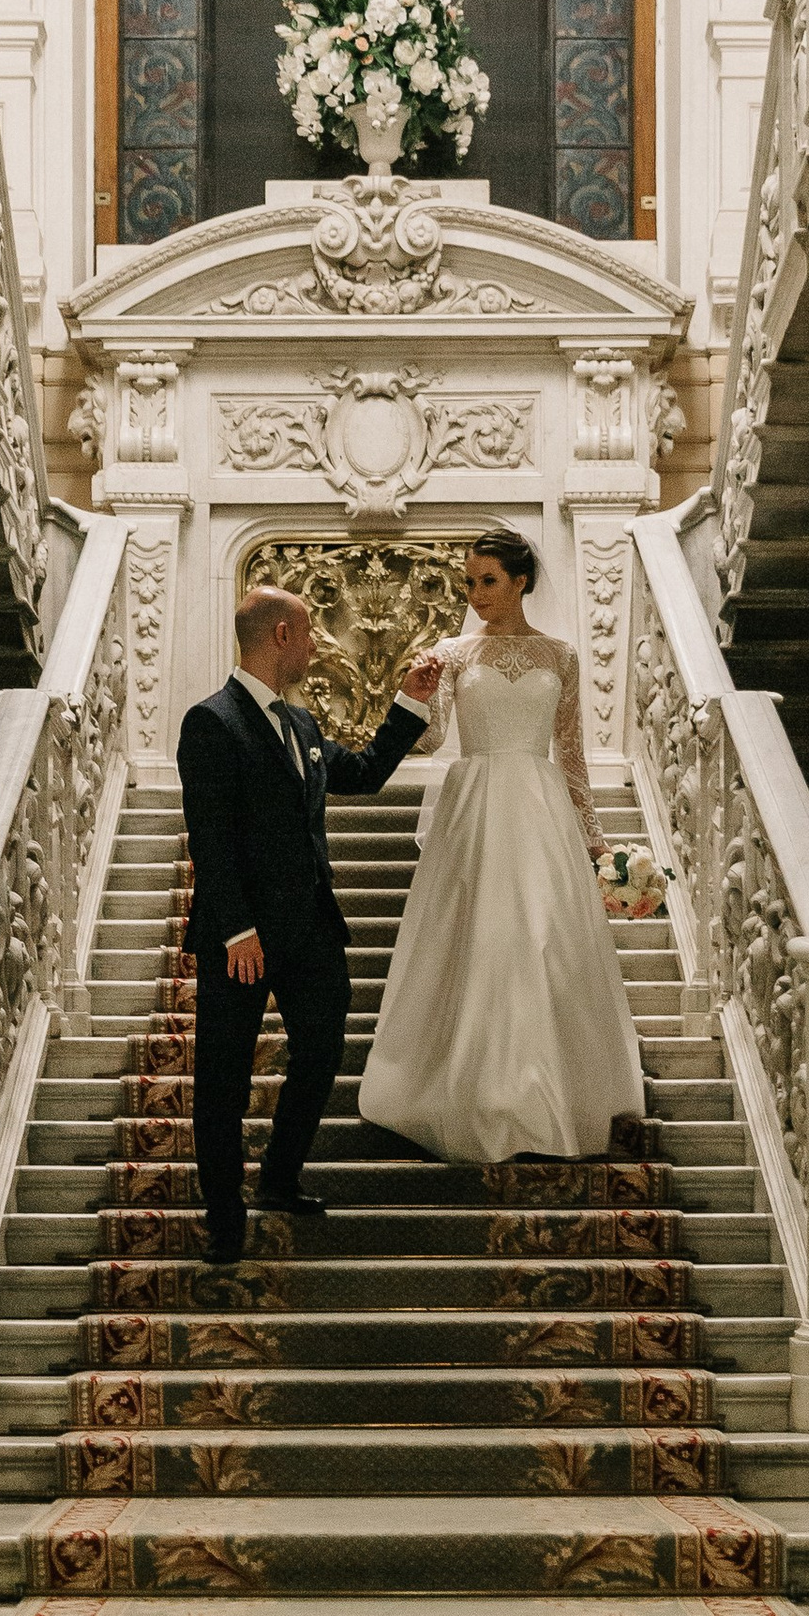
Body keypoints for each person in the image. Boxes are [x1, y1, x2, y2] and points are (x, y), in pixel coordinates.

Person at [358, 526, 645, 1164]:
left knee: (543, 945)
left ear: (520, 582)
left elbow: (571, 756)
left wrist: (597, 844)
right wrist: (414, 691)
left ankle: (545, 1094)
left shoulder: (563, 656)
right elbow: (432, 743)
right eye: (470, 582)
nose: (476, 593)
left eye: (488, 580)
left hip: (540, 807)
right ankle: (477, 1093)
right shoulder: (453, 652)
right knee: (479, 942)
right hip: (475, 805)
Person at [177, 586, 440, 1266]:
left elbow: (366, 773)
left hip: (310, 929)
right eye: (312, 632)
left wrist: (410, 701)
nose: (321, 644)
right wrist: (236, 929)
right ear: (282, 636)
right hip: (240, 938)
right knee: (224, 1081)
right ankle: (225, 1218)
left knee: (321, 1052)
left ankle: (280, 1177)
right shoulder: (210, 722)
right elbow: (212, 837)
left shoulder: (301, 727)